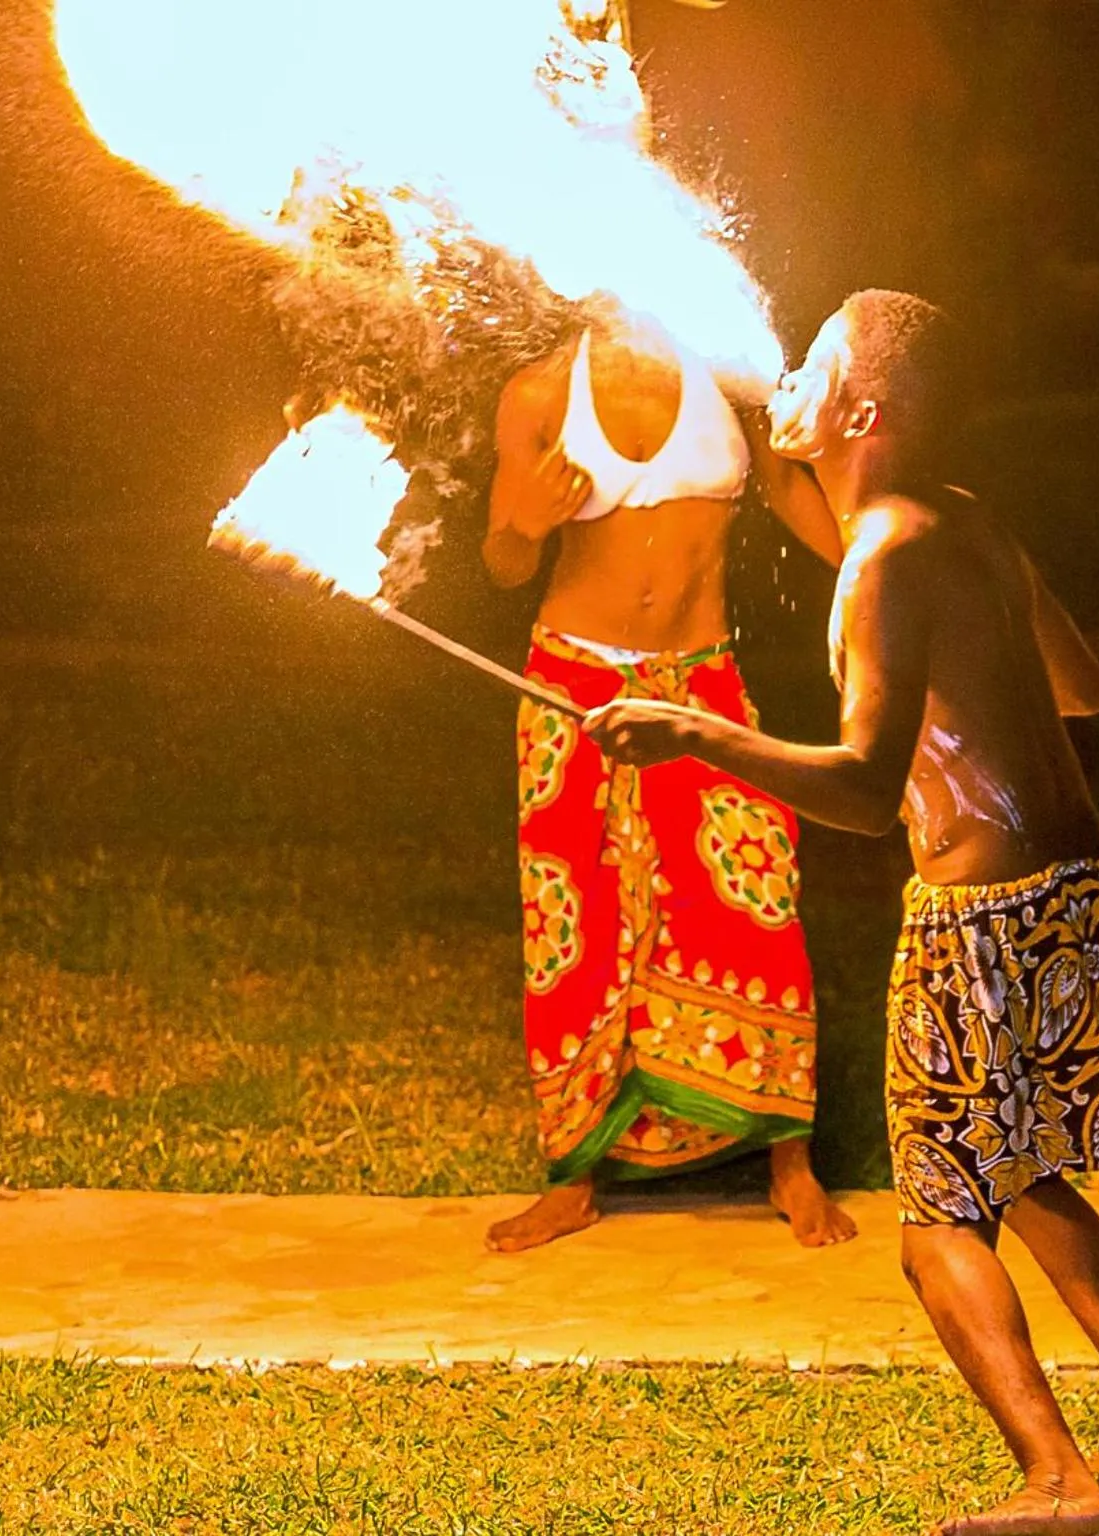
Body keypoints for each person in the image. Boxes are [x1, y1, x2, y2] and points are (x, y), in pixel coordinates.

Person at [589, 290, 1099, 1536]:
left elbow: (856, 787)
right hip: (1081, 891)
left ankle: (1060, 1487)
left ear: (861, 408)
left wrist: (692, 733)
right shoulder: (958, 524)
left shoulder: (888, 557)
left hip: (981, 922)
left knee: (936, 1222)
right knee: (1020, 1169)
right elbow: (1081, 681)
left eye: (815, 361)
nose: (783, 370)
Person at [480, 299, 857, 1253]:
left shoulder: (727, 369)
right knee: (577, 926)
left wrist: (874, 561)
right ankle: (572, 1174)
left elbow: (789, 487)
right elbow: (504, 560)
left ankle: (790, 1166)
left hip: (703, 688)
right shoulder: (535, 393)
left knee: (756, 900)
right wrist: (522, 525)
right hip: (574, 687)